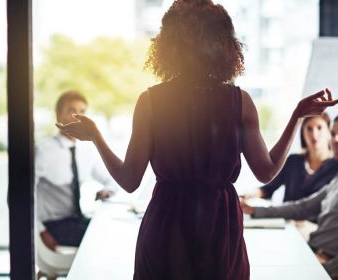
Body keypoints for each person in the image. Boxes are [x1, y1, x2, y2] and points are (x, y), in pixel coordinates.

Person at [57, 1, 338, 279]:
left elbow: (129, 181)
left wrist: (96, 136)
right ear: (223, 43)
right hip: (219, 228)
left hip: (166, 225)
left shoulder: (151, 102)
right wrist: (296, 117)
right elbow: (266, 171)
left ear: (170, 44)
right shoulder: (239, 102)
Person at [241, 116, 338, 278]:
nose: (335, 139)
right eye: (334, 133)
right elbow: (304, 206)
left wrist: (323, 267)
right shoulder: (334, 180)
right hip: (311, 247)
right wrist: (254, 210)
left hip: (324, 261)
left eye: (321, 128)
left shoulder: (332, 167)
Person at [36, 90, 116, 250]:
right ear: (58, 114)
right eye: (71, 111)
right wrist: (40, 231)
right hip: (53, 225)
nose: (77, 117)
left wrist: (108, 190)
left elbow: (112, 179)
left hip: (77, 220)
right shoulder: (43, 151)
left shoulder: (86, 151)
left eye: (82, 112)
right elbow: (22, 196)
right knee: (102, 238)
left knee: (112, 229)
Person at [245, 113, 337, 202]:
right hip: (286, 217)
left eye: (319, 128)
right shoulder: (293, 161)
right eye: (309, 129)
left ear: (329, 132)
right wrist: (250, 195)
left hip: (316, 218)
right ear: (302, 134)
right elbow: (268, 188)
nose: (314, 134)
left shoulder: (335, 167)